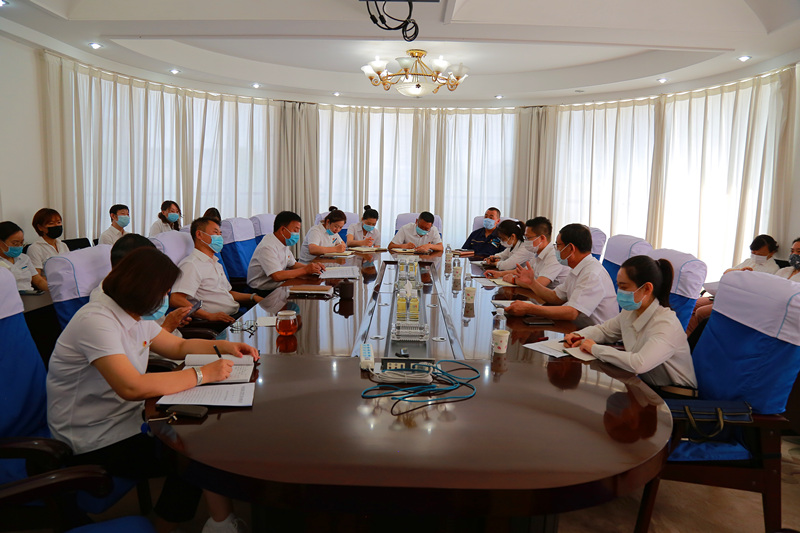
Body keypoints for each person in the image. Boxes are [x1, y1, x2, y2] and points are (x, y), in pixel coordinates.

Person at [46, 247, 258, 533]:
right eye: (164, 291)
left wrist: (226, 347)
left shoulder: (134, 314)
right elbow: (130, 386)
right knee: (193, 457)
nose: (167, 297)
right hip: (94, 438)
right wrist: (202, 374)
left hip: (127, 420)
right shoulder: (96, 321)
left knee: (198, 440)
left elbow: (178, 346)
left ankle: (214, 521)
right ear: (143, 290)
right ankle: (181, 526)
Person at [562, 255, 697, 389]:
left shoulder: (666, 324)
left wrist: (594, 348)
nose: (619, 292)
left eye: (624, 287)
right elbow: (604, 331)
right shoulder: (630, 312)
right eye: (618, 286)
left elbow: (639, 363)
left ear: (647, 288)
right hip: (647, 385)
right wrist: (579, 336)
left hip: (675, 394)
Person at [506, 223, 618, 327]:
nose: (556, 250)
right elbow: (555, 297)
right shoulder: (577, 268)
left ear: (570, 248)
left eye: (558, 245)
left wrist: (530, 309)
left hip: (597, 336)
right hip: (578, 329)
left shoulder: (592, 273)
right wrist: (532, 283)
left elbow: (572, 312)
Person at [90, 234, 191, 335]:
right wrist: (167, 327)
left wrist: (173, 321)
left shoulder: (139, 286)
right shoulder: (103, 307)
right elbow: (135, 342)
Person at [170, 217, 263, 324]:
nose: (220, 237)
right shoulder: (191, 264)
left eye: (220, 234)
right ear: (199, 234)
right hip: (215, 323)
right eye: (215, 233)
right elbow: (176, 299)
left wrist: (253, 297)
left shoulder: (215, 263)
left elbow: (227, 293)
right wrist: (209, 316)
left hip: (234, 314)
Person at [686, 233, 781, 335]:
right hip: (725, 294)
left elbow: (761, 293)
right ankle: (688, 337)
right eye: (753, 253)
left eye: (760, 255)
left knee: (701, 312)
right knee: (690, 304)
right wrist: (740, 271)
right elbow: (727, 272)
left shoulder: (773, 269)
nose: (755, 256)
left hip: (739, 301)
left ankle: (695, 338)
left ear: (771, 253)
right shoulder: (749, 261)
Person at [247, 211, 325, 295]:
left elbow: (293, 264)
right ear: (283, 230)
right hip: (262, 291)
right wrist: (305, 270)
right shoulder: (267, 246)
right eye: (295, 230)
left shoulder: (282, 242)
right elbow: (277, 276)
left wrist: (313, 268)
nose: (297, 234)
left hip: (278, 285)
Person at [497, 217, 569, 289]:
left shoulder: (554, 255)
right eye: (525, 237)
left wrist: (514, 280)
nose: (525, 241)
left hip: (550, 294)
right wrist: (500, 274)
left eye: (528, 238)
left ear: (542, 238)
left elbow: (540, 284)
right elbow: (522, 271)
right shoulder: (538, 253)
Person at [0, 221, 47, 291]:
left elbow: (38, 281)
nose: (19, 246)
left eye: (21, 243)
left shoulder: (24, 258)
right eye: (15, 243)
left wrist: (54, 290)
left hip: (29, 295)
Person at [27, 208, 69, 277]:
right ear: (40, 227)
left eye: (59, 222)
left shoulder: (63, 245)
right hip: (51, 282)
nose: (56, 226)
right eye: (51, 223)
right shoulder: (35, 248)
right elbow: (37, 278)